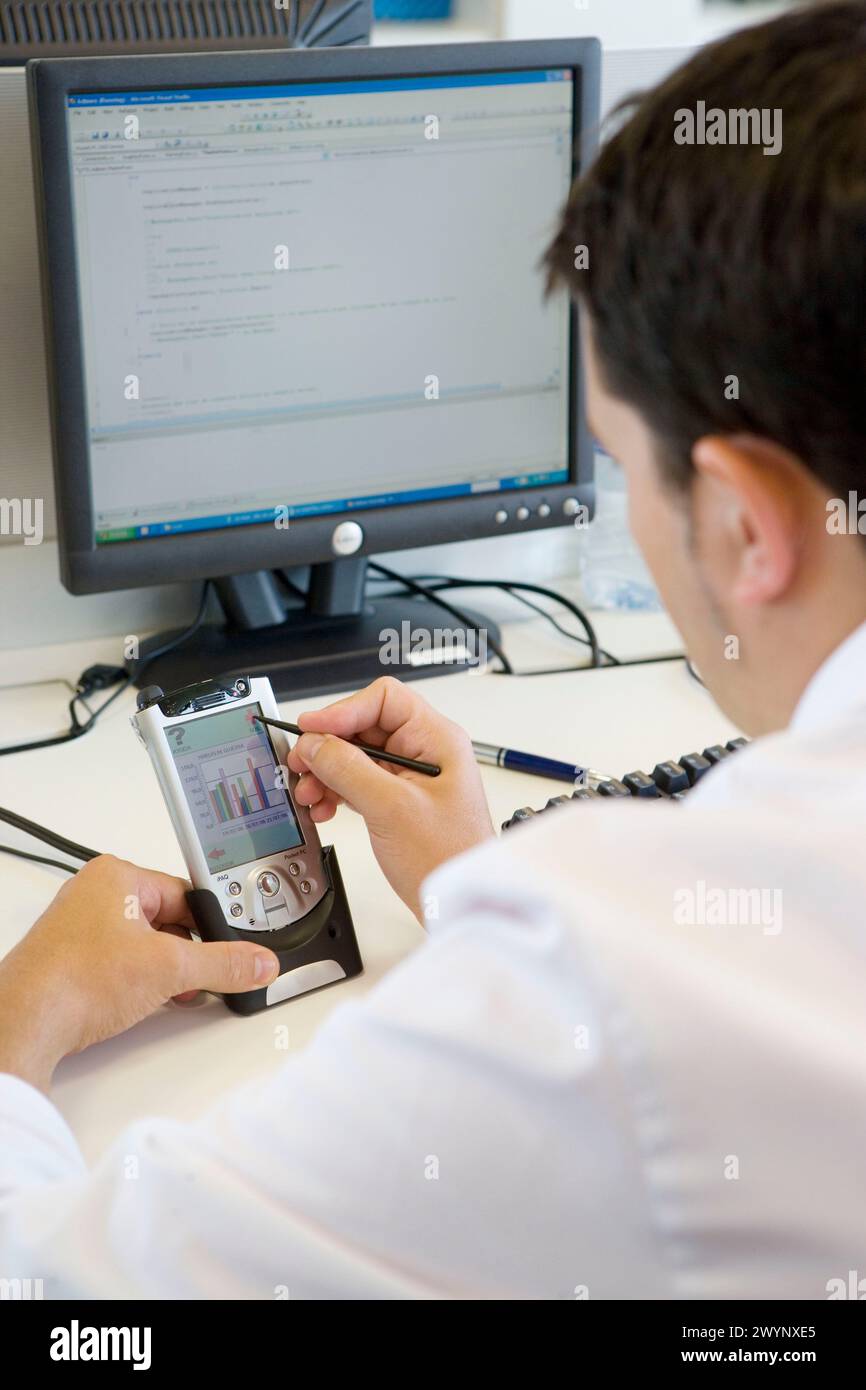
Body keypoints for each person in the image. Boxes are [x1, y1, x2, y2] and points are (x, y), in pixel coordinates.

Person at [1, 0, 865, 1299]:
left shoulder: (620, 976)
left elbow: (73, 1300)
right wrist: (483, 880)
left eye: (618, 461)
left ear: (743, 522)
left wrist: (23, 1017)